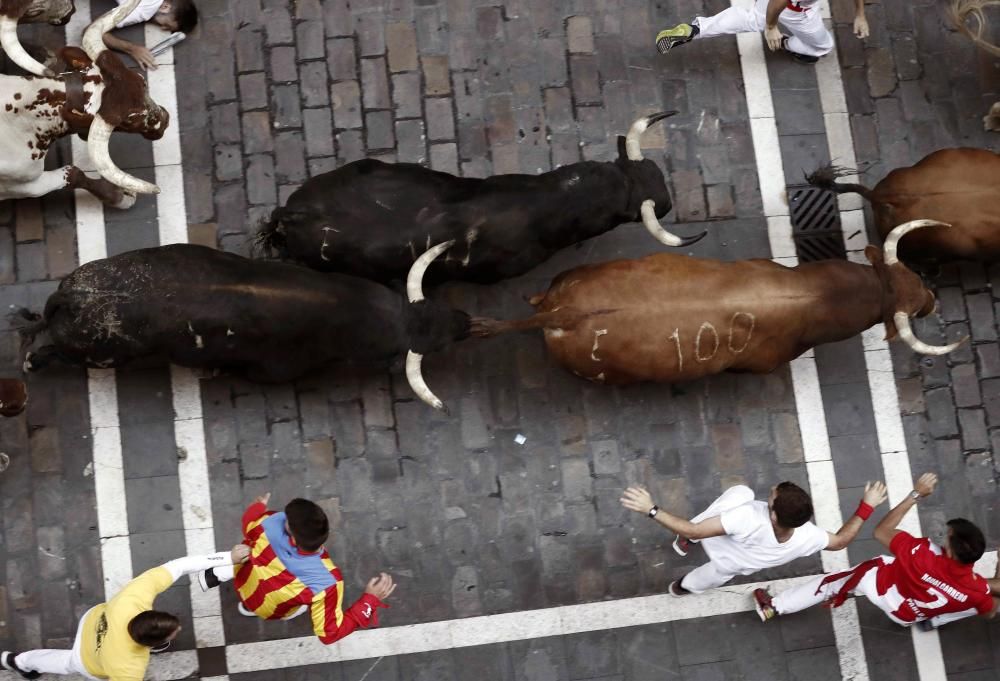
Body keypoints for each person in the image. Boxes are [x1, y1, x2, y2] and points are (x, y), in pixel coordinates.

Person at [754, 473, 1000, 627]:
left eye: (946, 539)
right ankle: (936, 620)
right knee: (978, 601)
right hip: (907, 615)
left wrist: (915, 495)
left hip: (880, 586)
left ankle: (774, 606)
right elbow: (989, 613)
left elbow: (882, 531)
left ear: (951, 552)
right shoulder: (977, 589)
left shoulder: (921, 552)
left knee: (831, 583)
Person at [1, 546, 248, 680]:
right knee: (67, 663)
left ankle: (15, 661)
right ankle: (15, 662)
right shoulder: (130, 668)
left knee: (66, 661)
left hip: (94, 622)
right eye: (173, 633)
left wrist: (229, 557)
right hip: (89, 661)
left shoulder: (134, 597)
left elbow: (179, 566)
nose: (179, 630)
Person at [620, 479, 887, 596]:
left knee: (742, 493)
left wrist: (651, 509)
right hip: (732, 566)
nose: (769, 492)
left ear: (772, 515)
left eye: (771, 498)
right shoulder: (809, 536)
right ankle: (681, 588)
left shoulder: (747, 516)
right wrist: (867, 506)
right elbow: (841, 541)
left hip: (715, 535)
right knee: (699, 582)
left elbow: (694, 529)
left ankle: (686, 543)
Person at [198, 493, 396, 644]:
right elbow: (329, 634)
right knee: (282, 605)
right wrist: (369, 601)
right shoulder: (327, 582)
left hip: (244, 578)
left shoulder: (269, 522)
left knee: (251, 591)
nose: (282, 517)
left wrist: (258, 504)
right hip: (269, 608)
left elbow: (249, 519)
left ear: (293, 537)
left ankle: (246, 603)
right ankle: (252, 607)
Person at [654, 0, 869, 64]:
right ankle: (786, 44)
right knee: (822, 46)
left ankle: (696, 28)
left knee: (751, 18)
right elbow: (779, 3)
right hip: (793, 11)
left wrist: (860, 14)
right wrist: (772, 28)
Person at [102, 0, 199, 70]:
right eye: (166, 25)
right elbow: (92, 32)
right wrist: (131, 48)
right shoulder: (141, 11)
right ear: (165, 7)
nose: (162, 28)